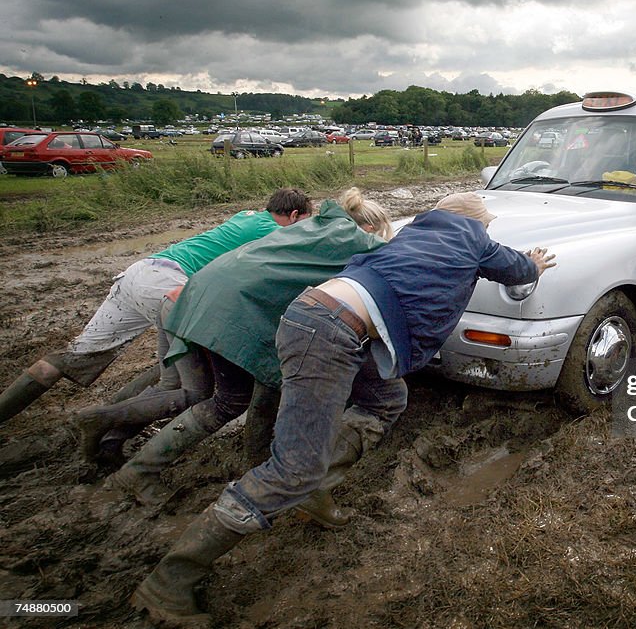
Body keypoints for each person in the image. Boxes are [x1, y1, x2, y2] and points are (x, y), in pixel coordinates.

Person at [130, 192, 556, 625]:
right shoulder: (469, 234)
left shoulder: (413, 233)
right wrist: (534, 263)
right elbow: (516, 268)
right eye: (486, 224)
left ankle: (315, 487)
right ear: (476, 222)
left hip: (320, 317)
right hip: (330, 333)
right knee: (293, 469)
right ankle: (169, 583)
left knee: (387, 397)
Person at [75, 189, 393, 522]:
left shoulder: (313, 227)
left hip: (198, 291)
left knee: (208, 391)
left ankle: (112, 428)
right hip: (229, 309)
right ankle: (139, 473)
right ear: (368, 229)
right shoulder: (356, 244)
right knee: (230, 400)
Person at [0, 188, 313, 425]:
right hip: (169, 287)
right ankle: (102, 420)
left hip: (139, 273)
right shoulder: (273, 230)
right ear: (296, 215)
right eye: (303, 222)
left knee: (72, 357)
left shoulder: (245, 216)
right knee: (188, 384)